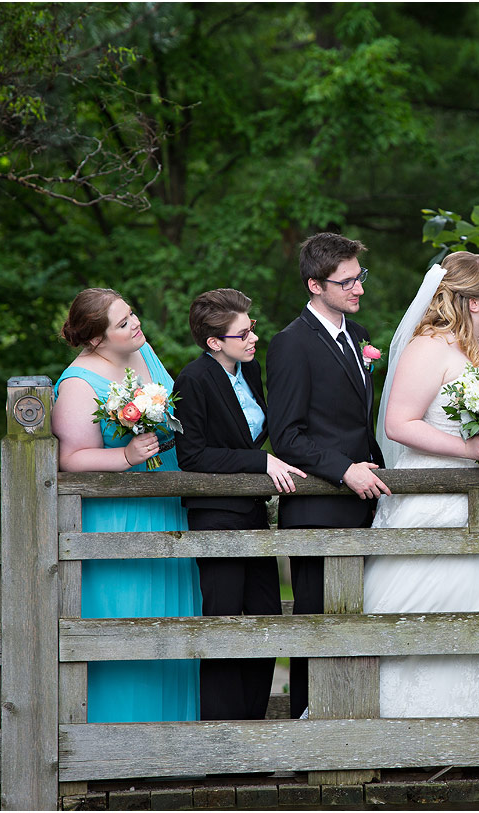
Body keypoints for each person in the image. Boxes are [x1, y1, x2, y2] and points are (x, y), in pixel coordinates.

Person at [366, 251, 479, 717]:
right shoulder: (428, 347)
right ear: (471, 301)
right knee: (419, 607)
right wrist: (468, 450)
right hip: (431, 499)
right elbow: (398, 423)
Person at [51, 288, 200, 722]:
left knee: (174, 621)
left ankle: (175, 748)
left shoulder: (143, 351)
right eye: (122, 323)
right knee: (130, 616)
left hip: (169, 503)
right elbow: (71, 459)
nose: (135, 324)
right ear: (96, 339)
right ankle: (117, 743)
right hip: (120, 516)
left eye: (131, 314)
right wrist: (125, 456)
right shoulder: (79, 385)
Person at [266, 233, 389, 719]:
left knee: (357, 625)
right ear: (315, 285)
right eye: (348, 281)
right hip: (317, 509)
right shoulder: (290, 344)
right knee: (316, 630)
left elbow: (357, 422)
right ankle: (308, 730)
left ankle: (353, 724)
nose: (359, 287)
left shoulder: (357, 338)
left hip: (364, 505)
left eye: (360, 276)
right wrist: (344, 469)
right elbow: (288, 436)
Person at [173, 288, 305, 721]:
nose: (254, 338)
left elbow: (254, 432)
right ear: (214, 342)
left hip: (251, 512)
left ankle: (254, 727)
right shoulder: (193, 380)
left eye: (253, 328)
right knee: (224, 625)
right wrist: (261, 460)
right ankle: (222, 737)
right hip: (214, 519)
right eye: (243, 333)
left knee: (265, 619)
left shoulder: (248, 372)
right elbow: (192, 456)